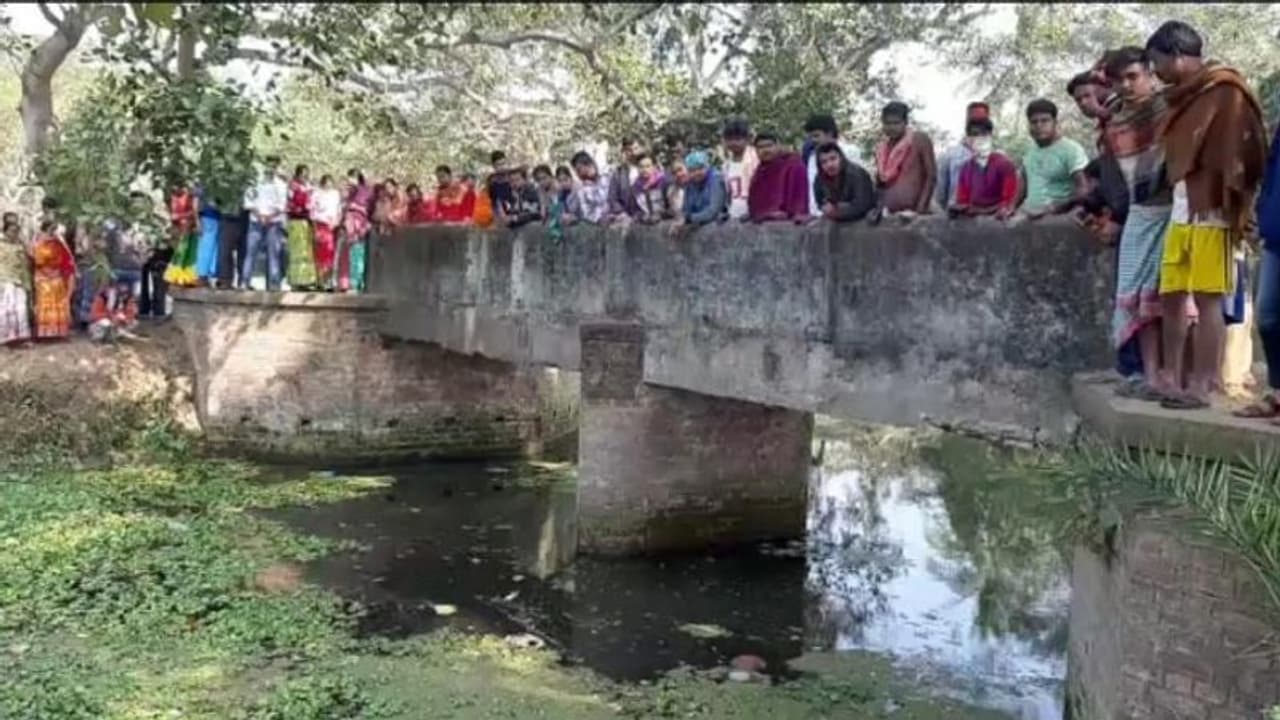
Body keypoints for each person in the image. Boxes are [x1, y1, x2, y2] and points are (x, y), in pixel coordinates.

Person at [1147, 20, 1267, 409]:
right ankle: (1169, 377)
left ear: (1179, 57)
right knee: (1170, 292)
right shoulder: (1185, 95)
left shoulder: (1226, 91)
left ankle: (1204, 384)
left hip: (1212, 207)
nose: (1156, 72)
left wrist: (1231, 199)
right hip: (1183, 205)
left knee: (1208, 297)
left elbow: (1240, 153)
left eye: (1158, 62)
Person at [1100, 46, 1183, 400]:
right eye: (1121, 80)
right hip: (1141, 212)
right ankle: (1150, 376)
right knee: (1139, 300)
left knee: (1175, 296)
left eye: (1133, 76)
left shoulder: (1175, 107)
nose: (1127, 85)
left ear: (1150, 73)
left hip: (1178, 209)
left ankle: (1176, 376)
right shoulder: (1116, 123)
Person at [1238, 113, 1280, 420]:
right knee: (1267, 317)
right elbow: (1271, 174)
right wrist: (1262, 216)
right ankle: (1276, 391)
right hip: (1275, 235)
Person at [1019, 99, 1090, 218]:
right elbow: (1023, 186)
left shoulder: (1071, 150)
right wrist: (1010, 207)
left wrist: (1057, 207)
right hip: (1028, 217)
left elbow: (1084, 189)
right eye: (1034, 122)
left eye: (1044, 121)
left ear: (1055, 122)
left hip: (1058, 219)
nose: (1039, 126)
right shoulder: (1030, 152)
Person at [873, 102, 937, 219]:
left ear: (905, 122)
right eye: (887, 123)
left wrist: (920, 210)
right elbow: (880, 184)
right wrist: (879, 208)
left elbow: (931, 176)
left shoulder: (919, 139)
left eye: (896, 123)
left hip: (914, 214)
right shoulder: (882, 149)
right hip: (888, 215)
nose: (891, 127)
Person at [949, 118, 1019, 220]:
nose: (978, 139)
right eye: (973, 135)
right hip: (972, 224)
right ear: (968, 139)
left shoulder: (1005, 165)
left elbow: (1009, 202)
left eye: (983, 135)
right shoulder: (965, 168)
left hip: (998, 223)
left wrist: (981, 211)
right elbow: (962, 201)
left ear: (990, 137)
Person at [803, 114, 865, 217]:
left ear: (830, 133)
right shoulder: (813, 158)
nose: (813, 140)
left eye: (816, 136)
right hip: (821, 217)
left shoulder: (850, 151)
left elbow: (859, 185)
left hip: (851, 215)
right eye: (810, 137)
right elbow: (812, 191)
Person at [936, 102, 993, 210]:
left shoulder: (998, 158)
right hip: (955, 218)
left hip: (986, 219)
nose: (978, 134)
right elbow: (940, 196)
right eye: (974, 121)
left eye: (981, 121)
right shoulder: (949, 156)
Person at [243, 159, 288, 291]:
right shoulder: (254, 182)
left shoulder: (280, 185)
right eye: (269, 166)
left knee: (273, 253)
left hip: (273, 223)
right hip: (256, 222)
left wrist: (269, 217)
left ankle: (273, 284)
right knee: (251, 253)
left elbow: (281, 205)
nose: (271, 168)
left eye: (274, 166)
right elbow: (248, 203)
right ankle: (245, 281)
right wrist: (260, 216)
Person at [746, 130, 810, 224]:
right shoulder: (759, 172)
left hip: (790, 223)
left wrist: (793, 213)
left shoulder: (793, 164)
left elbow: (799, 198)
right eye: (760, 147)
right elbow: (754, 202)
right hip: (763, 225)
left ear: (778, 145)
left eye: (769, 145)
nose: (765, 150)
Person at [31, 220, 75, 340]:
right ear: (45, 229)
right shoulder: (39, 242)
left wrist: (60, 272)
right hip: (43, 277)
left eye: (55, 229)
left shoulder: (59, 242)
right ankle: (45, 333)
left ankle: (58, 332)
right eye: (51, 228)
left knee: (59, 302)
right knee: (46, 303)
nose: (54, 231)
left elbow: (66, 258)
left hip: (56, 275)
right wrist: (47, 272)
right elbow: (37, 260)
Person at [812, 142, 876, 222]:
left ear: (841, 158)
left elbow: (863, 205)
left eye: (833, 158)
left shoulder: (856, 174)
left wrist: (837, 210)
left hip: (863, 221)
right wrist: (825, 208)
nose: (829, 165)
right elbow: (820, 203)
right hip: (836, 221)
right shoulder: (819, 178)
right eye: (824, 162)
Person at [337, 170, 373, 293]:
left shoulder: (366, 192)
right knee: (345, 256)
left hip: (359, 226)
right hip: (347, 226)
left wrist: (355, 209)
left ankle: (356, 283)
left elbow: (367, 208)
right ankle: (345, 283)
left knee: (357, 255)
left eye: (353, 178)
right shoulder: (347, 193)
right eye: (349, 178)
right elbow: (342, 208)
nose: (350, 180)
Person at [674, 151, 726, 233]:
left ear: (707, 167)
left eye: (700, 168)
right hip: (697, 228)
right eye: (692, 170)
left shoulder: (715, 179)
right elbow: (685, 209)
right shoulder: (689, 184)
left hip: (718, 228)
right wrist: (681, 219)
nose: (696, 173)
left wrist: (689, 218)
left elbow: (713, 211)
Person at [0, 212, 32, 346]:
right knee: (5, 309)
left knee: (20, 309)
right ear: (5, 231)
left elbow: (26, 264)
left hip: (19, 280)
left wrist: (27, 283)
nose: (14, 234)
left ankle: (21, 338)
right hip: (4, 280)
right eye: (12, 231)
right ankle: (4, 338)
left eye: (16, 232)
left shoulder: (20, 246)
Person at [285, 164, 318, 290]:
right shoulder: (293, 187)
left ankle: (306, 281)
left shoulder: (308, 187)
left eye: (306, 174)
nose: (305, 177)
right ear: (297, 174)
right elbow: (290, 204)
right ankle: (295, 281)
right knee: (296, 251)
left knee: (306, 251)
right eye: (302, 174)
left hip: (307, 221)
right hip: (296, 220)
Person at [721, 118, 758, 222]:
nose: (733, 143)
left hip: (754, 217)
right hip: (734, 214)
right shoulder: (726, 165)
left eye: (737, 139)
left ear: (747, 139)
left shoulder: (756, 159)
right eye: (729, 139)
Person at [163, 182, 199, 288]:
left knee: (190, 253)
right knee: (180, 253)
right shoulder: (175, 198)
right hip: (181, 229)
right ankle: (175, 277)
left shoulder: (188, 195)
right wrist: (189, 215)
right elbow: (174, 216)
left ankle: (188, 277)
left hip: (189, 228)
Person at [310, 174, 342, 290]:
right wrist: (315, 228)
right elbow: (312, 213)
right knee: (320, 255)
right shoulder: (316, 194)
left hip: (332, 227)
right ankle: (320, 281)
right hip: (321, 225)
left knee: (331, 254)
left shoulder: (335, 194)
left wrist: (336, 222)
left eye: (330, 182)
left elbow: (338, 210)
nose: (329, 185)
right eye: (326, 182)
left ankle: (329, 281)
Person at [567, 151, 611, 225]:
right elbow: (587, 213)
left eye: (580, 169)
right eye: (577, 171)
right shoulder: (582, 189)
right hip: (601, 223)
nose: (579, 174)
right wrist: (600, 218)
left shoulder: (608, 177)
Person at [607, 137, 645, 221]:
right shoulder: (618, 173)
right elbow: (612, 198)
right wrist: (621, 213)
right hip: (628, 219)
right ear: (624, 151)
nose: (633, 152)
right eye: (629, 150)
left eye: (636, 148)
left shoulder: (650, 167)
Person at [631, 153, 672, 223]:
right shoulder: (635, 187)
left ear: (654, 167)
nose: (644, 169)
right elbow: (634, 209)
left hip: (664, 223)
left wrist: (662, 215)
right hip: (644, 224)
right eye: (641, 167)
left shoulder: (664, 182)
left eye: (648, 166)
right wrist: (641, 216)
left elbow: (671, 206)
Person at [194, 189, 220, 286]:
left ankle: (211, 276)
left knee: (215, 250)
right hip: (207, 218)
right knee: (205, 248)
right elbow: (195, 202)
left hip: (218, 219)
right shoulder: (204, 182)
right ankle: (202, 276)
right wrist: (197, 221)